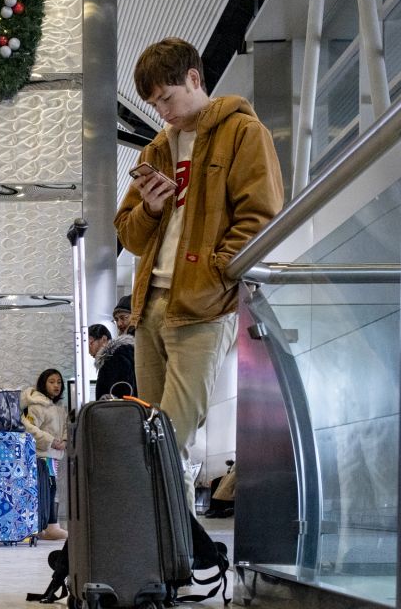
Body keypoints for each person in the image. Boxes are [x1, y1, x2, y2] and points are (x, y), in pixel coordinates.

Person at [115, 37, 283, 506]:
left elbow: (261, 219)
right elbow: (128, 235)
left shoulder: (244, 134)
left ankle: (177, 556)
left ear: (194, 78)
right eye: (153, 103)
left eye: (166, 98)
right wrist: (149, 210)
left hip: (204, 307)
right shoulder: (155, 150)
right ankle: (168, 551)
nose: (161, 111)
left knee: (169, 435)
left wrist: (215, 275)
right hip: (150, 308)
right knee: (155, 439)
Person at [23, 369, 69, 541]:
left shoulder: (58, 407)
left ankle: (46, 526)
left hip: (53, 455)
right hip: (41, 456)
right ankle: (50, 526)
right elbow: (29, 428)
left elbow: (64, 428)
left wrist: (63, 441)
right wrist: (51, 440)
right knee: (48, 489)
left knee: (51, 488)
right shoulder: (37, 405)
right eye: (51, 381)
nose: (56, 385)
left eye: (59, 382)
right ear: (43, 383)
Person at [88, 323, 137, 400]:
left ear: (104, 339)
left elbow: (123, 392)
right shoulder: (124, 354)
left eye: (90, 343)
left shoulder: (113, 359)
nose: (88, 350)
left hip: (120, 410)